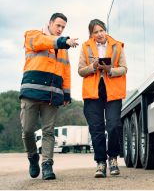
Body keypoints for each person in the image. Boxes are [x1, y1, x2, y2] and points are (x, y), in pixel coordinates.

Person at [20, 13, 79, 180]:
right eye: (58, 26)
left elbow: (66, 71)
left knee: (48, 132)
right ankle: (33, 157)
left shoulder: (63, 49)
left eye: (63, 28)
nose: (60, 29)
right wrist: (63, 41)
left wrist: (66, 93)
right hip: (31, 92)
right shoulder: (32, 35)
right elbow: (42, 42)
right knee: (27, 131)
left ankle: (47, 165)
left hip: (52, 94)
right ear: (50, 23)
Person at [78, 19, 127, 178]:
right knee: (96, 129)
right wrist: (93, 66)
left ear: (105, 30)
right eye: (95, 32)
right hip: (92, 93)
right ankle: (100, 162)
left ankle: (113, 159)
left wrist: (109, 69)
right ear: (91, 34)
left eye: (101, 31)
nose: (99, 34)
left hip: (112, 92)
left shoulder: (117, 46)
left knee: (113, 126)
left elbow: (124, 68)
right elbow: (80, 71)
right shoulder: (85, 47)